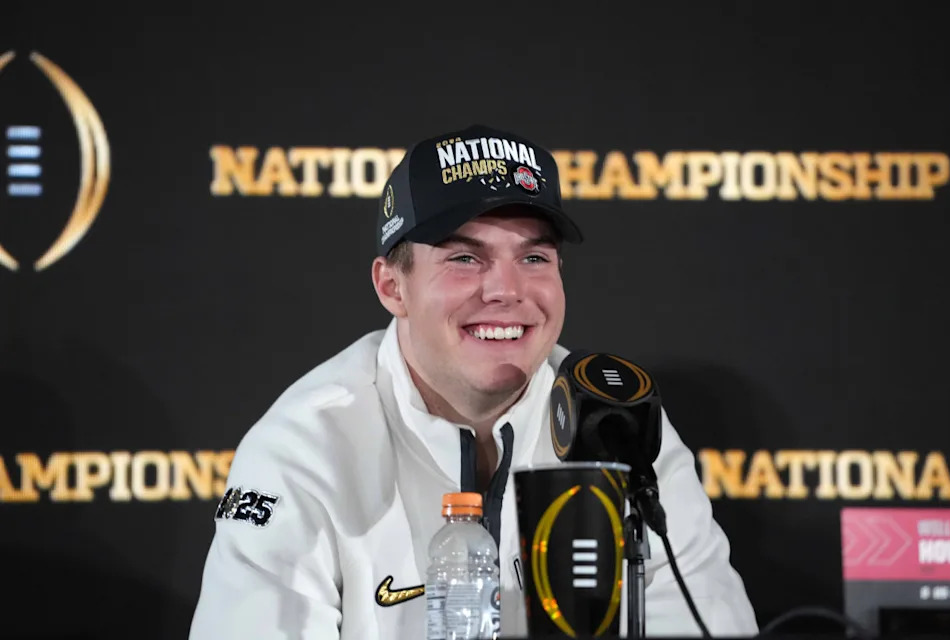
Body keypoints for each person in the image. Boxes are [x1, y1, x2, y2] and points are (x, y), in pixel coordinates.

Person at [189, 124, 758, 639]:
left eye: (535, 258)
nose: (507, 290)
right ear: (392, 287)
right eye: (465, 258)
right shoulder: (305, 447)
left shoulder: (616, 424)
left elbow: (706, 620)